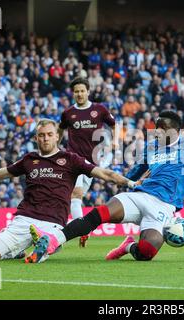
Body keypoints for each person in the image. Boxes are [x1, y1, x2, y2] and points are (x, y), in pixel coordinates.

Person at [25, 111, 184, 263]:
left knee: (146, 252)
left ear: (171, 129)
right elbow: (136, 171)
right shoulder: (152, 147)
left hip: (164, 207)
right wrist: (122, 181)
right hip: (141, 194)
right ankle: (53, 241)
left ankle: (128, 245)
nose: (155, 131)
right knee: (100, 214)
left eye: (159, 128)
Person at [0, 119, 135, 261]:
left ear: (57, 136)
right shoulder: (29, 160)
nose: (46, 139)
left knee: (44, 247)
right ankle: (17, 252)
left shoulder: (71, 159)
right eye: (41, 135)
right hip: (24, 219)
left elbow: (105, 174)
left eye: (49, 135)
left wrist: (130, 183)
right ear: (36, 138)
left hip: (54, 224)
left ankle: (46, 244)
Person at [58, 77, 116, 247]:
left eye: (82, 90)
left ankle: (81, 228)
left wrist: (115, 141)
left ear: (88, 91)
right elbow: (59, 130)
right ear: (73, 93)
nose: (79, 94)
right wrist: (55, 145)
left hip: (92, 162)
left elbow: (113, 124)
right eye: (76, 91)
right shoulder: (68, 113)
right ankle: (81, 228)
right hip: (73, 159)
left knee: (77, 198)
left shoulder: (99, 109)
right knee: (76, 194)